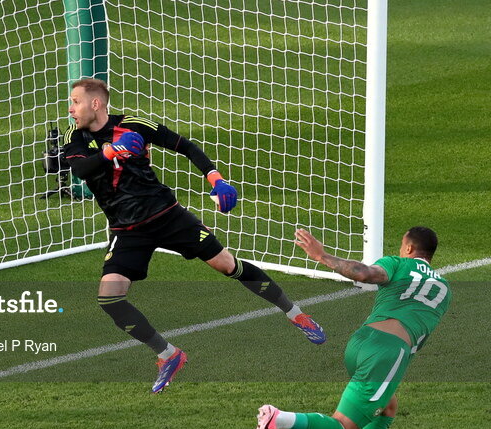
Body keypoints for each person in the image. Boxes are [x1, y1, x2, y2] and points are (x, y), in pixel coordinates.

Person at [63, 77, 326, 393]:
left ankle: (296, 315)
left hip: (168, 216)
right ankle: (168, 354)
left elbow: (184, 146)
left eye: (75, 101)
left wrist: (216, 180)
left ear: (96, 103)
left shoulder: (134, 124)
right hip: (126, 229)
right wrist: (110, 153)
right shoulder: (74, 137)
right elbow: (80, 171)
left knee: (228, 265)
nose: (70, 109)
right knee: (109, 298)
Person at [248, 226, 451, 429]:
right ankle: (278, 418)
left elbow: (366, 273)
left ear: (408, 249)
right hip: (387, 353)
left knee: (388, 406)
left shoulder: (397, 263)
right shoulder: (443, 290)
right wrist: (323, 257)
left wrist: (322, 256)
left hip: (359, 344)